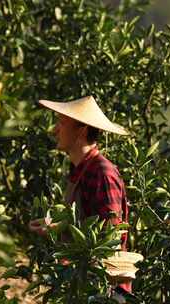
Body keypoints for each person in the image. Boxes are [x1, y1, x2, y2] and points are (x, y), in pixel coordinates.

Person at [28, 95, 133, 301]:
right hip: (83, 286)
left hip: (104, 290)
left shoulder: (102, 173)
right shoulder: (80, 170)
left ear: (82, 130)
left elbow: (110, 237)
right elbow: (84, 224)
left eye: (62, 123)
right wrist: (54, 227)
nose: (55, 129)